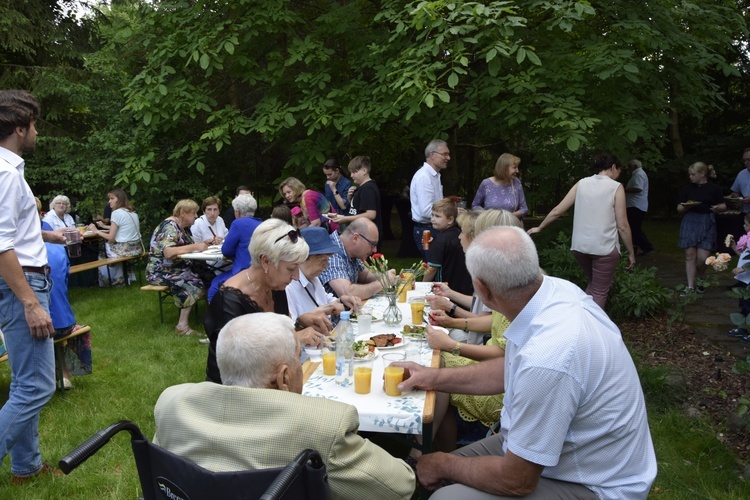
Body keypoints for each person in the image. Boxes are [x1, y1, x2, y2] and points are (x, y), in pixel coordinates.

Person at [399, 226, 657, 499]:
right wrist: (433, 377)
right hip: (564, 453)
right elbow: (509, 370)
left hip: (595, 483)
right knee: (439, 469)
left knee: (445, 495)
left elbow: (517, 480)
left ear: (483, 291)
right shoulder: (555, 292)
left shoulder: (548, 358)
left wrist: (444, 464)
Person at [155, 313, 415, 500]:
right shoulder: (322, 425)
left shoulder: (172, 403)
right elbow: (399, 487)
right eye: (298, 358)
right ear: (283, 377)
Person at [0, 90, 64, 484]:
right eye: (34, 125)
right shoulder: (6, 173)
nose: (37, 132)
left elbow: (13, 235)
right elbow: (1, 244)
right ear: (19, 128)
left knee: (26, 381)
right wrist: (30, 302)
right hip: (21, 286)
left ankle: (25, 467)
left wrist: (47, 238)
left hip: (21, 279)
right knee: (38, 385)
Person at [204, 218, 329, 383]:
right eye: (291, 269)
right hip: (233, 393)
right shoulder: (229, 301)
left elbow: (273, 331)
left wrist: (300, 322)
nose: (296, 276)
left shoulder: (275, 285)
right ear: (266, 261)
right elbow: (242, 362)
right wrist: (295, 338)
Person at [528, 153, 636, 309]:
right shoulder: (616, 187)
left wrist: (540, 227)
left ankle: (578, 318)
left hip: (580, 248)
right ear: (613, 167)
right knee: (599, 291)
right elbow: (623, 225)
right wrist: (631, 252)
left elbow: (558, 210)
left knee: (594, 286)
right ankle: (592, 330)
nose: (618, 175)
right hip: (604, 249)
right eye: (619, 171)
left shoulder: (581, 183)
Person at [37, 199, 91, 390]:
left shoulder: (23, 250)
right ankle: (64, 374)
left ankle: (43, 380)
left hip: (42, 323)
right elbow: (64, 283)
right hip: (65, 322)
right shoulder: (57, 246)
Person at [427, 210, 492, 345]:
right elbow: (480, 303)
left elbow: (487, 322)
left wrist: (451, 308)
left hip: (478, 344)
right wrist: (449, 293)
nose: (459, 237)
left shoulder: (490, 273)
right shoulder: (482, 266)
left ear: (473, 237)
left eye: (462, 232)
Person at [146, 199, 210, 336]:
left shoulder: (181, 228)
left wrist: (204, 243)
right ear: (182, 213)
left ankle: (209, 319)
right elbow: (169, 252)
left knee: (209, 277)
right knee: (194, 283)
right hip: (159, 271)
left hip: (177, 268)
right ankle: (182, 326)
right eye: (194, 213)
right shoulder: (169, 227)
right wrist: (197, 246)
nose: (196, 216)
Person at [286, 226, 361, 323]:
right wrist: (318, 312)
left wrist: (342, 301)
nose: (326, 265)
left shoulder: (313, 278)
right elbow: (290, 327)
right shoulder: (288, 287)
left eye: (328, 259)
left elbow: (325, 299)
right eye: (322, 260)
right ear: (302, 257)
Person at [676, 161, 726, 294]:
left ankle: (700, 277)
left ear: (702, 173)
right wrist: (686, 206)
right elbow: (679, 208)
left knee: (703, 258)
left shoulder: (714, 189)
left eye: (693, 174)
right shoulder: (687, 189)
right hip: (690, 221)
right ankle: (691, 286)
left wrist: (717, 208)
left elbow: (723, 206)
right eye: (690, 175)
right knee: (690, 255)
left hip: (707, 221)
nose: (690, 177)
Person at [318, 218, 395, 299]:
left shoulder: (352, 251)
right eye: (372, 244)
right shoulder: (332, 253)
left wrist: (387, 277)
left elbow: (365, 275)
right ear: (355, 238)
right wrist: (383, 282)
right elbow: (347, 293)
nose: (375, 250)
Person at [207, 193, 262, 301]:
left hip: (242, 271)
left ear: (237, 211)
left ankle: (216, 316)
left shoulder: (238, 223)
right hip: (259, 271)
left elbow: (226, 251)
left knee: (215, 285)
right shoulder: (261, 223)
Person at [87, 188, 142, 287]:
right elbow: (123, 226)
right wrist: (104, 226)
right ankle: (128, 277)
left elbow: (111, 238)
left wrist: (96, 231)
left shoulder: (116, 213)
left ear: (119, 199)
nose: (109, 202)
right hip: (136, 248)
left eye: (112, 198)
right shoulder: (132, 212)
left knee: (102, 250)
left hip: (125, 249)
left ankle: (112, 281)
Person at [422, 198, 473, 296]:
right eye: (432, 214)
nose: (433, 219)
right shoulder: (459, 233)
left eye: (437, 216)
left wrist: (422, 284)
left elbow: (432, 268)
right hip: (464, 287)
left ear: (450, 220)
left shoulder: (440, 240)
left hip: (445, 288)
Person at [327, 156, 383, 244]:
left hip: (367, 237)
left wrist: (346, 218)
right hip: (361, 235)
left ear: (364, 171)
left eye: (354, 172)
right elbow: (358, 210)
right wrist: (350, 199)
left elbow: (371, 214)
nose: (351, 175)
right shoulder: (362, 188)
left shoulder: (368, 189)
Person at [410, 139, 450, 258]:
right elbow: (426, 211)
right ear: (432, 155)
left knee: (435, 267)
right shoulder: (424, 177)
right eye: (445, 154)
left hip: (432, 228)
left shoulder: (434, 175)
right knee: (432, 266)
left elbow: (436, 205)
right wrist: (450, 214)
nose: (448, 158)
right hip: (426, 231)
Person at [471, 153, 528, 219]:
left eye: (517, 167)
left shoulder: (516, 183)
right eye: (514, 167)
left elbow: (524, 209)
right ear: (504, 168)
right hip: (489, 225)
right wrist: (487, 215)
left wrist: (507, 217)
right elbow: (475, 205)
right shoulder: (486, 183)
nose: (517, 171)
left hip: (510, 226)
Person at [727, 213, 750, 339]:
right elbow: (743, 255)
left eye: (746, 224)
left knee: (748, 305)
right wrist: (734, 247)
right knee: (743, 304)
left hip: (748, 278)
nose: (744, 226)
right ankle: (743, 327)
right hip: (745, 279)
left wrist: (742, 268)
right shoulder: (747, 239)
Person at [625, 159, 654, 255]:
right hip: (635, 205)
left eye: (630, 166)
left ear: (634, 166)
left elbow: (638, 188)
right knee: (635, 227)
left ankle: (636, 247)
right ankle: (646, 246)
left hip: (636, 205)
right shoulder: (638, 174)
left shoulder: (639, 174)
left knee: (634, 228)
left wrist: (624, 190)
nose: (628, 169)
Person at [730, 148, 750, 214]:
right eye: (744, 160)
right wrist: (736, 199)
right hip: (745, 213)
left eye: (748, 160)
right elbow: (735, 192)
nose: (745, 162)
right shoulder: (741, 174)